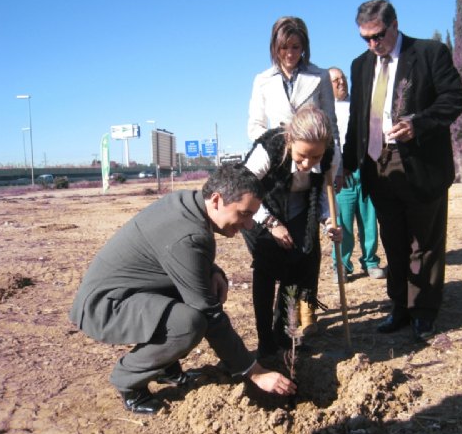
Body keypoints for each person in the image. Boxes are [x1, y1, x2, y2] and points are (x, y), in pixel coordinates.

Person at [69, 165, 297, 414]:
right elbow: (209, 313)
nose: (250, 225)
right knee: (189, 323)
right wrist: (254, 372)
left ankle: (166, 368)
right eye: (244, 214)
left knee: (193, 298)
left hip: (129, 293)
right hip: (106, 306)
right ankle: (128, 380)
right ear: (217, 200)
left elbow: (177, 254)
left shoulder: (189, 204)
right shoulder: (189, 234)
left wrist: (212, 270)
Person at [342, 0, 462, 342]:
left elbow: (454, 98)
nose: (372, 44)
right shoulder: (360, 65)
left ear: (394, 24)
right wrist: (347, 164)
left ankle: (424, 312)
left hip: (420, 164)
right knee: (393, 241)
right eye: (365, 38)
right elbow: (357, 120)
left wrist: (419, 123)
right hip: (376, 167)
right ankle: (399, 305)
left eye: (378, 36)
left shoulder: (430, 53)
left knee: (423, 243)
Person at [242, 106, 342, 358]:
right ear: (290, 140)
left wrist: (330, 222)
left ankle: (284, 335)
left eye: (316, 157)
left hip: (299, 210)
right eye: (301, 156)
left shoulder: (331, 154)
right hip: (260, 207)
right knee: (266, 267)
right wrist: (271, 223)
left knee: (298, 266)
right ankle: (266, 342)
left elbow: (323, 195)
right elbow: (244, 189)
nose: (308, 164)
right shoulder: (269, 148)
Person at [248, 16, 342, 180]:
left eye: (296, 47)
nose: (290, 54)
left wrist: (337, 168)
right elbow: (255, 127)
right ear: (274, 47)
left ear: (304, 47)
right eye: (284, 47)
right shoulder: (262, 81)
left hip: (314, 167)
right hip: (277, 167)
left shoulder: (321, 77)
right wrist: (281, 145)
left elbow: (331, 126)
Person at [329, 66, 385, 283]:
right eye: (335, 80)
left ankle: (370, 262)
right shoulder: (325, 110)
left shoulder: (359, 106)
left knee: (369, 220)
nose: (341, 82)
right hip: (341, 173)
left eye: (342, 78)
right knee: (341, 221)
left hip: (365, 170)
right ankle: (341, 265)